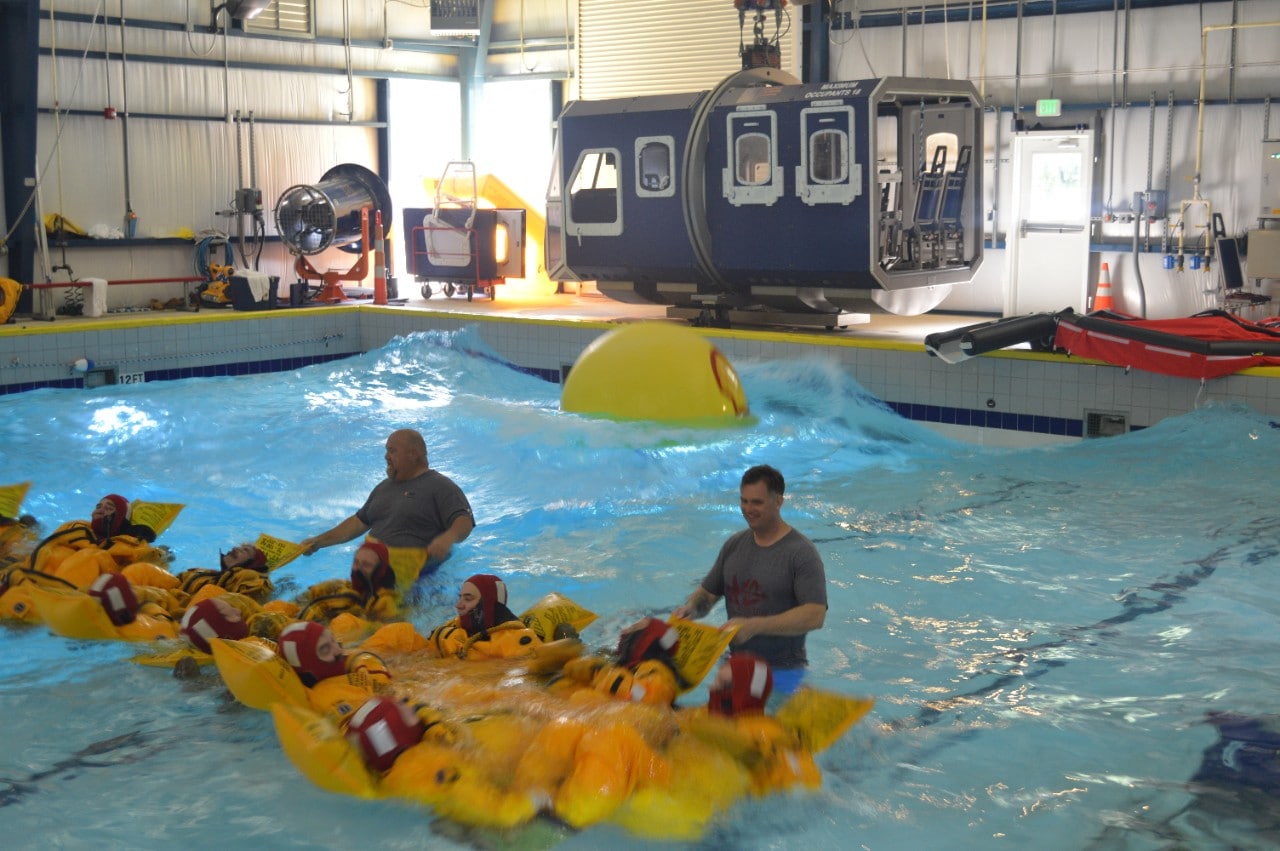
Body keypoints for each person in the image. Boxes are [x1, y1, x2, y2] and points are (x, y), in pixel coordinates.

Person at [671, 464, 826, 697]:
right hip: (734, 665)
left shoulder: (801, 553)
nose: (748, 509)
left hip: (782, 671)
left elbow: (815, 615)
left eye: (757, 502)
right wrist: (691, 609)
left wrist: (753, 626)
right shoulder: (734, 545)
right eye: (744, 501)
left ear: (778, 501)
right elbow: (708, 595)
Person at [300, 429, 474, 584]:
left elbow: (464, 520)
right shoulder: (383, 488)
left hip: (416, 580)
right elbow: (358, 523)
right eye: (386, 450)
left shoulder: (440, 486)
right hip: (373, 575)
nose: (386, 456)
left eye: (392, 450)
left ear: (413, 454)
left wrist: (449, 537)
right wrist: (318, 542)